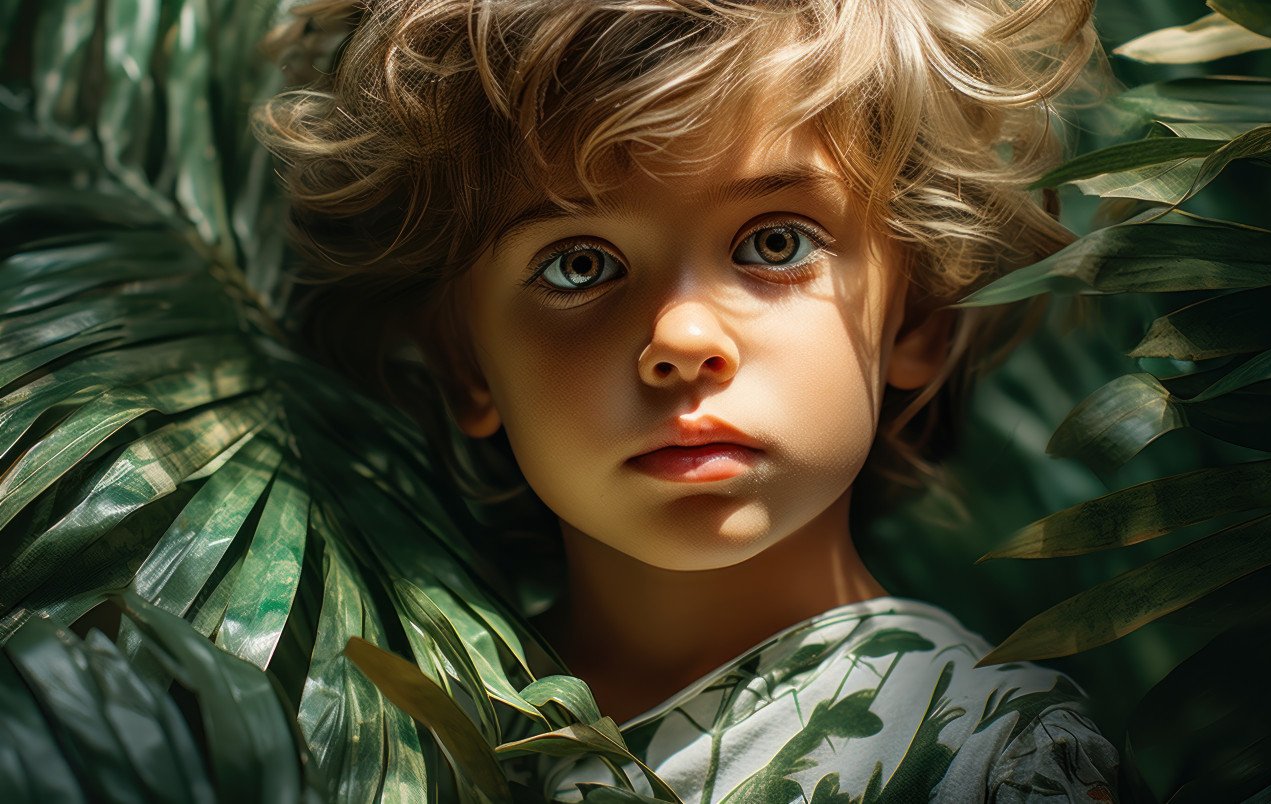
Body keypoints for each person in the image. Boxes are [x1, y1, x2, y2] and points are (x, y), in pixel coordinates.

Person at [259, 0, 1120, 799]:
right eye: (580, 265)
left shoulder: (993, 755)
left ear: (917, 312)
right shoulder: (362, 737)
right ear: (467, 364)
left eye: (775, 243)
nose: (681, 341)